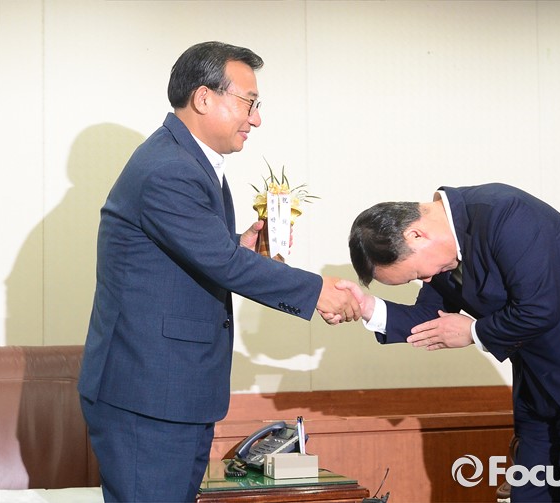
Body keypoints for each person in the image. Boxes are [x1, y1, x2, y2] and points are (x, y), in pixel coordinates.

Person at [77, 41, 360, 503]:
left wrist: (237, 244)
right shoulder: (169, 168)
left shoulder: (188, 161)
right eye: (249, 103)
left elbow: (202, 254)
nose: (256, 119)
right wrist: (318, 291)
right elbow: (224, 265)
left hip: (172, 391)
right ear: (204, 98)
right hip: (148, 395)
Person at [339, 183, 560, 502]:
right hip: (541, 386)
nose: (426, 280)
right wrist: (367, 307)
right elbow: (431, 317)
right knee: (530, 495)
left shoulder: (507, 213)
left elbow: (539, 308)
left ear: (416, 235)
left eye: (415, 275)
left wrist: (473, 332)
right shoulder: (444, 251)